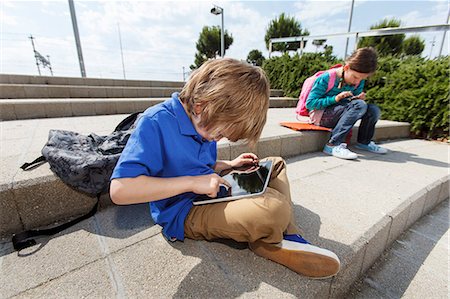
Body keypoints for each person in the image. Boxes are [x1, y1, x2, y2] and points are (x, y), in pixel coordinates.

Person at [110, 58, 340, 278]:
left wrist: (229, 165)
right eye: (220, 133)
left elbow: (198, 164)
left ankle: (285, 235)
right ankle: (272, 240)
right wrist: (192, 183)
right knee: (274, 208)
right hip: (184, 210)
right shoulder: (155, 121)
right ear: (201, 106)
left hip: (210, 190)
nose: (218, 140)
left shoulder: (202, 120)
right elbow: (120, 190)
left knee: (275, 164)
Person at [306, 47, 388, 160]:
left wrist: (356, 98)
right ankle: (332, 145)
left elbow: (352, 105)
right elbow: (310, 104)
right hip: (321, 115)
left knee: (373, 110)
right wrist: (335, 98)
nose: (357, 82)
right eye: (355, 77)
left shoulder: (358, 82)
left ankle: (364, 142)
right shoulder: (327, 78)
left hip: (341, 112)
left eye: (362, 79)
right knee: (359, 105)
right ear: (346, 67)